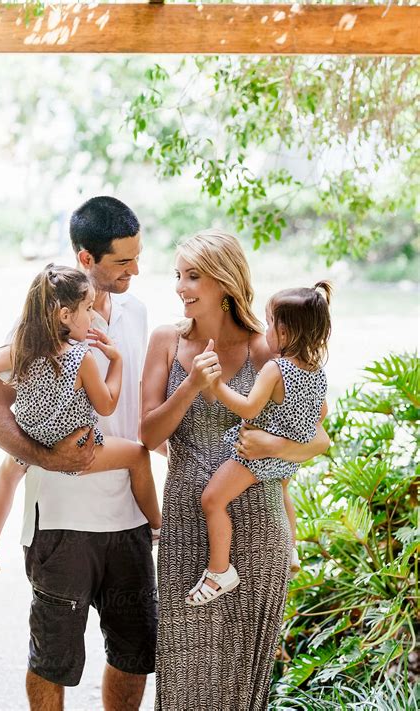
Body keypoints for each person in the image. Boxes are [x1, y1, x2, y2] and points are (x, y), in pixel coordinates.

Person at [0, 197, 158, 711]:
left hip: (128, 518)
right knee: (52, 661)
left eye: (137, 256)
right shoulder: (38, 324)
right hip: (59, 524)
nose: (136, 270)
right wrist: (50, 458)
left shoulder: (138, 314)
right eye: (123, 262)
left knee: (133, 653)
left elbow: (138, 405)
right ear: (85, 259)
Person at [141, 229, 330, 710]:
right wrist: (190, 388)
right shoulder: (166, 340)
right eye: (178, 276)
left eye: (193, 276)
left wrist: (273, 442)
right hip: (187, 517)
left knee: (243, 677)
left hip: (260, 524)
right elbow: (147, 436)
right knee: (184, 668)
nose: (181, 287)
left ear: (224, 283)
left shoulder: (268, 350)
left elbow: (320, 438)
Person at [0, 264, 161, 579]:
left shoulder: (24, 351)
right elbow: (108, 403)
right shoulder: (81, 357)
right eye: (86, 309)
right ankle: (156, 526)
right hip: (78, 446)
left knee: (8, 474)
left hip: (33, 441)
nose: (91, 316)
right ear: (64, 316)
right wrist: (117, 361)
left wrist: (9, 356)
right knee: (137, 456)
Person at [186, 282, 331, 606]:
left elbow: (248, 408)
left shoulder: (275, 369)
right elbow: (320, 413)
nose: (265, 331)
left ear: (286, 332)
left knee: (212, 500)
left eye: (269, 324)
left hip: (255, 456)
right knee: (282, 491)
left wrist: (216, 384)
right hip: (287, 459)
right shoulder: (317, 373)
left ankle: (219, 570)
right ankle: (291, 548)